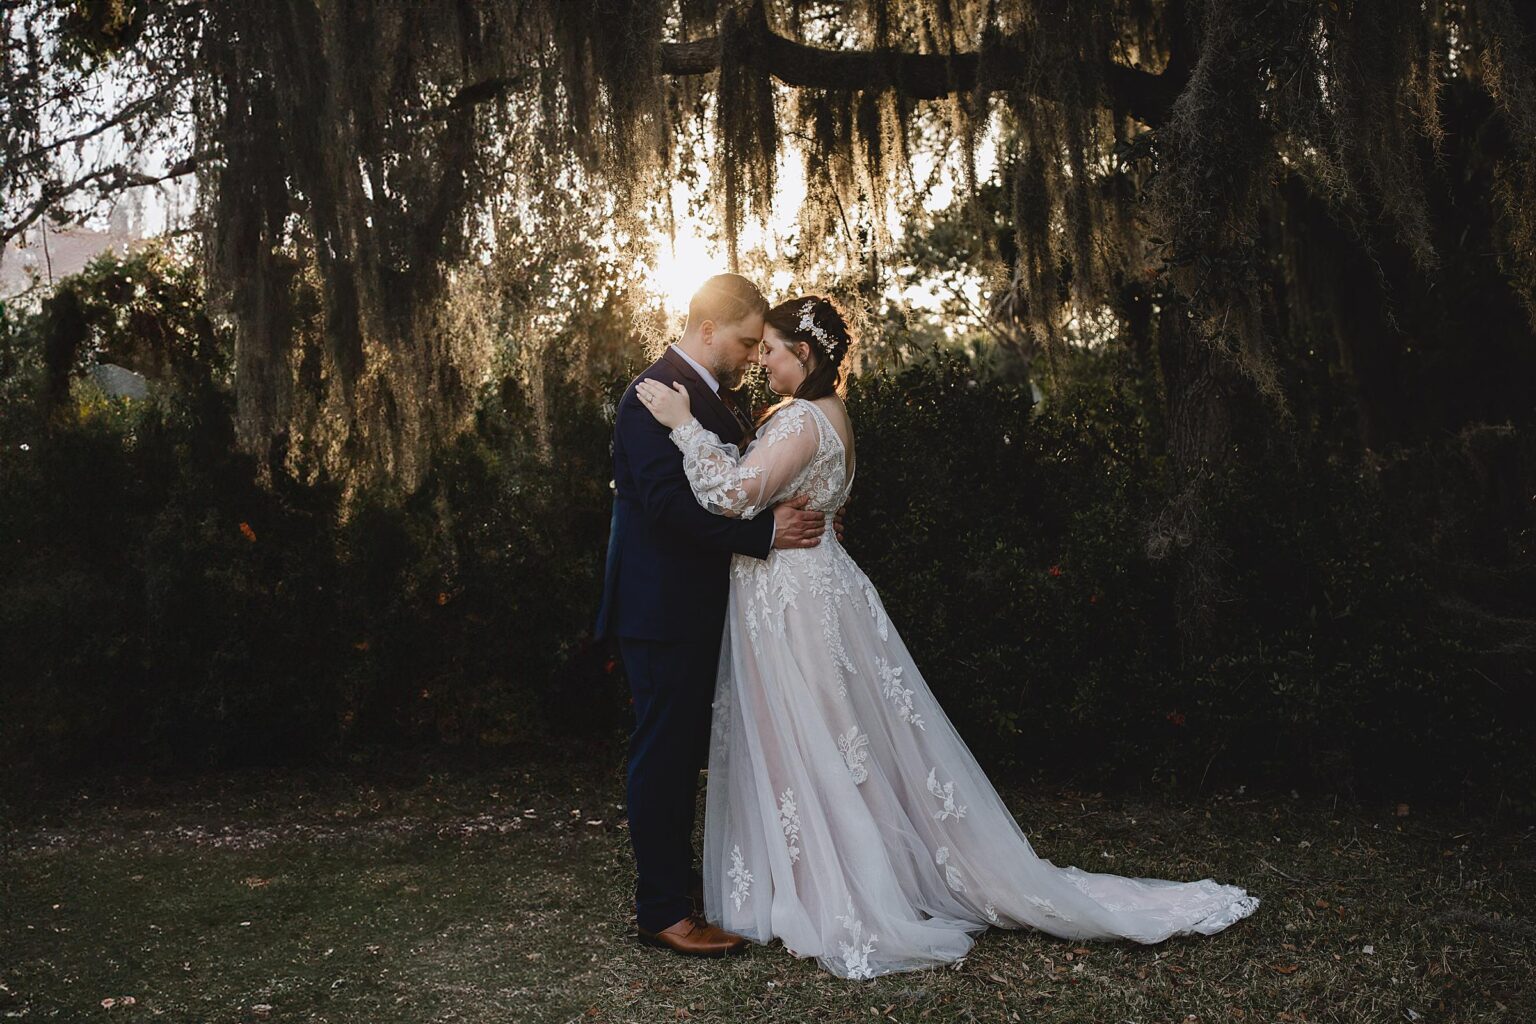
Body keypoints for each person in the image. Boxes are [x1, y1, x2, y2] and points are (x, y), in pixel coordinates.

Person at [631, 294, 1260, 980]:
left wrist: (686, 425)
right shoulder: (822, 416)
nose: (762, 362)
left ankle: (832, 885)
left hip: (796, 603)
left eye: (773, 350)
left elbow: (729, 496)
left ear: (804, 354)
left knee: (811, 737)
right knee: (821, 739)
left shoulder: (805, 420)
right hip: (801, 592)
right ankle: (810, 873)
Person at [595, 274, 837, 957]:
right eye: (744, 341)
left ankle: (679, 891)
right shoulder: (650, 397)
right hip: (659, 606)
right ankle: (663, 912)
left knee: (683, 754)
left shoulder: (711, 398)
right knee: (664, 754)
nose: (753, 355)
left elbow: (737, 484)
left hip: (697, 603)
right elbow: (670, 509)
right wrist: (766, 537)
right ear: (707, 331)